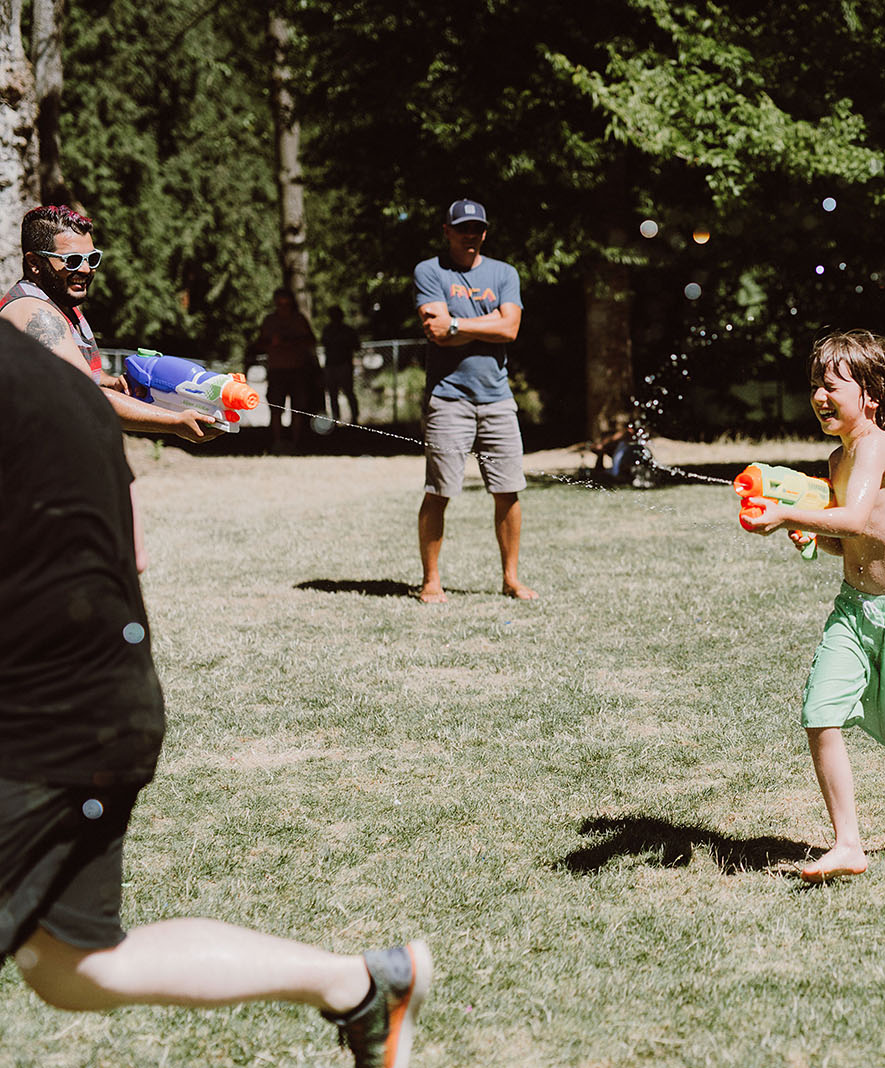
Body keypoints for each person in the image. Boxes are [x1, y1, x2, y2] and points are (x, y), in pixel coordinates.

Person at [0, 320, 430, 1068]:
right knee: (76, 966)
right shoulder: (43, 375)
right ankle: (359, 985)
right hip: (100, 704)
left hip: (43, 721)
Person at [740, 330, 885, 883]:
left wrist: (788, 517)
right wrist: (810, 536)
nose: (820, 396)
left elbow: (853, 517)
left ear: (869, 395)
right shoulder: (838, 456)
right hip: (854, 609)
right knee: (820, 713)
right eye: (815, 386)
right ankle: (847, 843)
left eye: (832, 386)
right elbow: (848, 538)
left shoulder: (878, 445)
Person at [0, 205, 224, 443]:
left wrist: (114, 384)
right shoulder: (37, 313)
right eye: (72, 260)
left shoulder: (62, 305)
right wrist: (175, 421)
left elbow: (83, 378)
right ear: (34, 263)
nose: (86, 269)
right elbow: (85, 396)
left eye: (92, 258)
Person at [412, 197, 534, 603]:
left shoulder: (504, 273)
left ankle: (511, 579)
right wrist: (490, 324)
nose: (471, 235)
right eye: (462, 228)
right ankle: (431, 581)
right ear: (446, 230)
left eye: (477, 229)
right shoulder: (429, 271)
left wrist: (460, 324)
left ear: (485, 232)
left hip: (498, 399)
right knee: (440, 489)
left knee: (508, 490)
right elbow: (435, 330)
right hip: (448, 399)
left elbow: (511, 330)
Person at [248, 287, 319, 451]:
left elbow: (311, 340)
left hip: (297, 370)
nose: (283, 307)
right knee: (275, 408)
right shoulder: (269, 321)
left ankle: (296, 443)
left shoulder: (299, 320)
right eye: (279, 303)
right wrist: (272, 343)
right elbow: (259, 343)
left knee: (298, 408)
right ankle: (277, 442)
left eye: (286, 303)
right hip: (276, 371)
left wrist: (292, 342)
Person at [322, 305, 361, 423]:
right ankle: (336, 418)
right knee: (333, 394)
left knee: (348, 392)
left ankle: (354, 418)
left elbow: (357, 346)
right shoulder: (328, 330)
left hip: (344, 365)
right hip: (332, 366)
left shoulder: (347, 330)